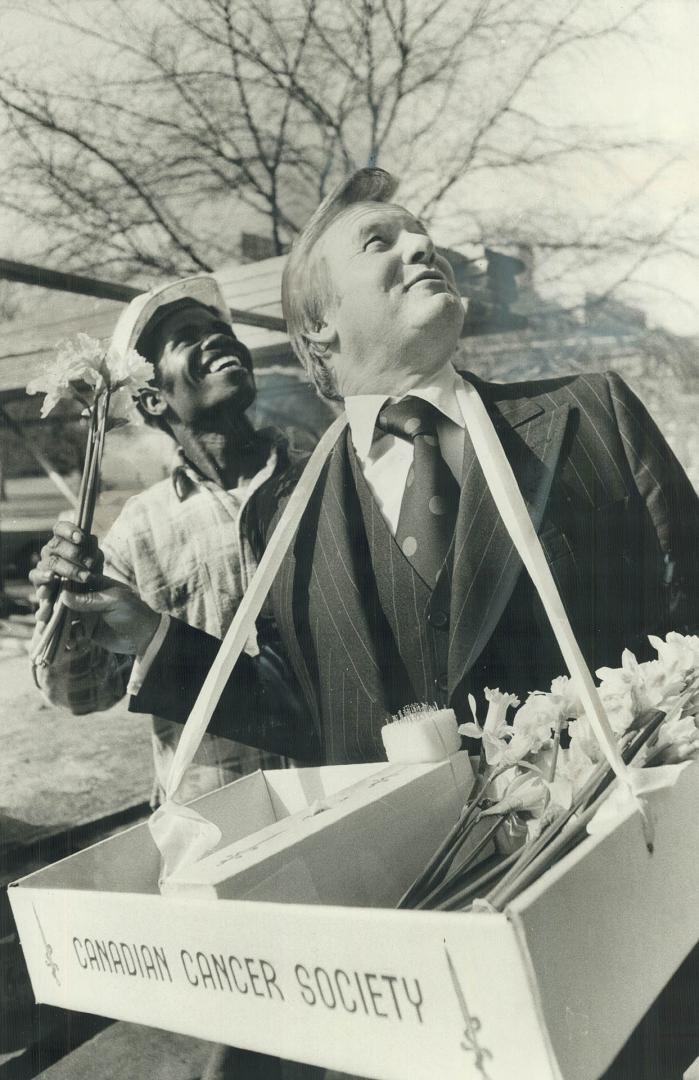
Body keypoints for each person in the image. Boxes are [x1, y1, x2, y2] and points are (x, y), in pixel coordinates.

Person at [35, 168, 699, 768]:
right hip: (419, 883)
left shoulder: (591, 415)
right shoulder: (283, 513)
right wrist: (150, 634)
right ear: (320, 324)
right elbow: (299, 715)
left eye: (421, 237)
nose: (420, 248)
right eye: (379, 242)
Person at [31, 273, 309, 802]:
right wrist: (66, 611)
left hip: (339, 783)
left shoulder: (325, 480)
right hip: (215, 815)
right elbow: (83, 694)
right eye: (187, 336)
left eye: (220, 328)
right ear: (153, 398)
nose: (220, 337)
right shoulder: (139, 528)